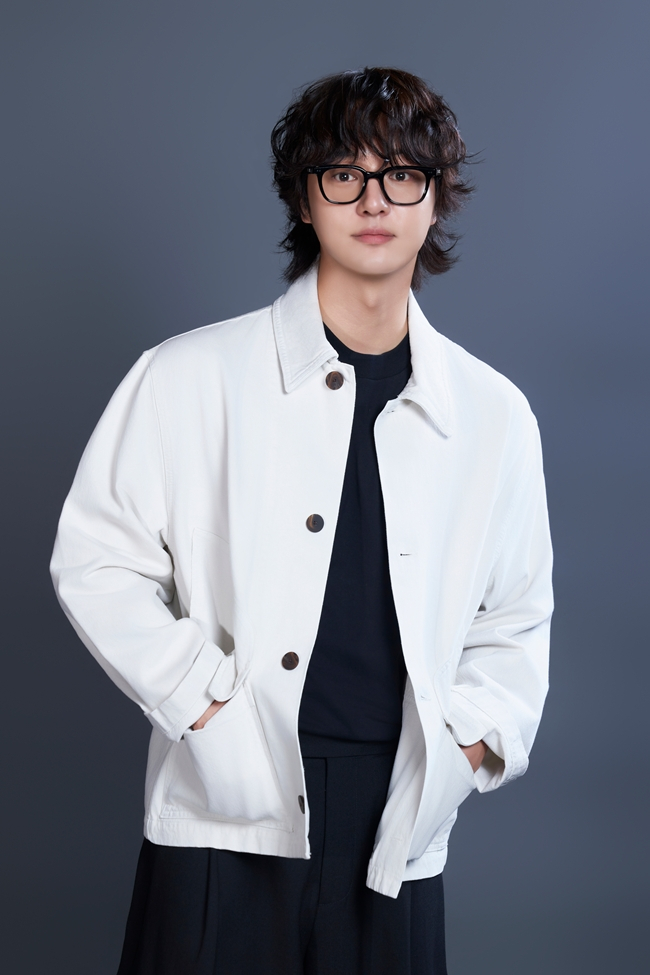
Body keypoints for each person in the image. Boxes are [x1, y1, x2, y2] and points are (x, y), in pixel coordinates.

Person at [50, 67, 553, 975]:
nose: (374, 200)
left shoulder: (495, 414)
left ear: (436, 197)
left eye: (403, 174)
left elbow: (516, 617)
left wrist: (464, 745)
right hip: (224, 806)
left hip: (396, 819)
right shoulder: (188, 375)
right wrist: (203, 703)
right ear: (305, 196)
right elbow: (96, 558)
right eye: (345, 173)